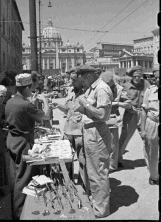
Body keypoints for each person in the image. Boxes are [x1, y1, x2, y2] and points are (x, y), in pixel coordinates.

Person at [5, 73, 50, 220]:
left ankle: (15, 211)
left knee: (15, 177)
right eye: (30, 88)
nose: (32, 91)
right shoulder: (26, 104)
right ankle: (19, 214)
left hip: (12, 140)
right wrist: (45, 101)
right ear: (26, 88)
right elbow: (46, 117)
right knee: (23, 177)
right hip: (23, 143)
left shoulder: (11, 101)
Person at [74, 65, 112, 218]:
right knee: (92, 170)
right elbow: (90, 110)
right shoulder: (91, 88)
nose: (81, 81)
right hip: (90, 131)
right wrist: (81, 108)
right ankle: (97, 203)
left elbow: (103, 115)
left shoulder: (101, 88)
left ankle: (101, 210)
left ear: (88, 75)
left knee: (98, 172)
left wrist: (85, 104)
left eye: (81, 78)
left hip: (97, 132)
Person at [52, 67, 90, 194]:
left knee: (82, 160)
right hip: (68, 130)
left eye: (74, 80)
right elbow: (68, 109)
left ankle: (85, 188)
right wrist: (58, 106)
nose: (71, 82)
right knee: (66, 158)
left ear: (81, 80)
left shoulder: (88, 93)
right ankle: (68, 184)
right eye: (70, 79)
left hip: (80, 131)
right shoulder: (70, 91)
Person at [118, 66, 150, 167]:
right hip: (130, 114)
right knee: (124, 137)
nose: (137, 78)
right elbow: (121, 100)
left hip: (144, 114)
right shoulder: (126, 86)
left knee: (147, 137)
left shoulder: (146, 84)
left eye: (139, 76)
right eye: (135, 76)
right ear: (132, 76)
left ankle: (151, 160)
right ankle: (118, 159)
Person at [101, 71, 132, 172]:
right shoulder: (100, 87)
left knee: (113, 145)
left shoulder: (119, 89)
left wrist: (117, 103)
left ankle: (112, 166)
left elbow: (128, 104)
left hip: (112, 119)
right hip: (100, 119)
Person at [140, 66, 159, 185]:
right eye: (155, 78)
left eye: (159, 78)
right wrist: (142, 129)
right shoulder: (149, 91)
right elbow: (144, 111)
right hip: (152, 123)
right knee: (151, 151)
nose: (157, 80)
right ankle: (154, 176)